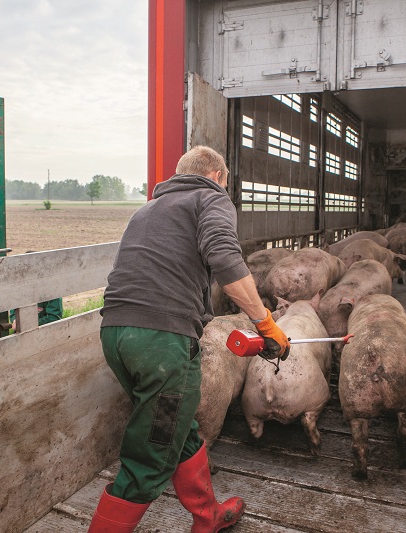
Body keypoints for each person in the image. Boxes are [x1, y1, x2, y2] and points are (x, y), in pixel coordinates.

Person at [88, 146, 290, 532]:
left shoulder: (145, 211)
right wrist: (265, 323)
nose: (224, 189)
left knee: (178, 427)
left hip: (116, 335)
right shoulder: (210, 197)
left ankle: (207, 514)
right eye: (225, 183)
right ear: (216, 176)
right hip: (161, 345)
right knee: (149, 457)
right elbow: (226, 258)